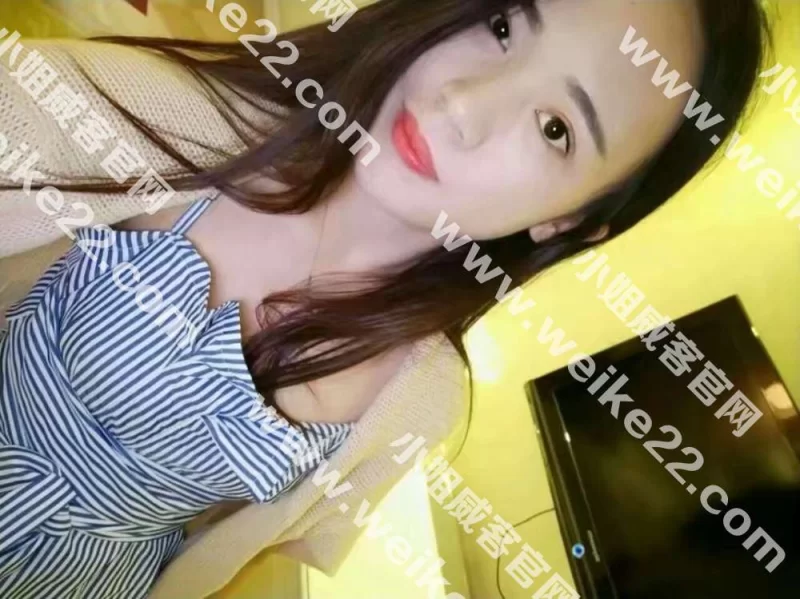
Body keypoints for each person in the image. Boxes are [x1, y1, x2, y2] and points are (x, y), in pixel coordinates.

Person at [0, 0, 769, 596]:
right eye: (503, 25)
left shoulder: (418, 398)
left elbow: (233, 543)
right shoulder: (205, 122)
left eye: (555, 128)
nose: (463, 104)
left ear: (567, 220)